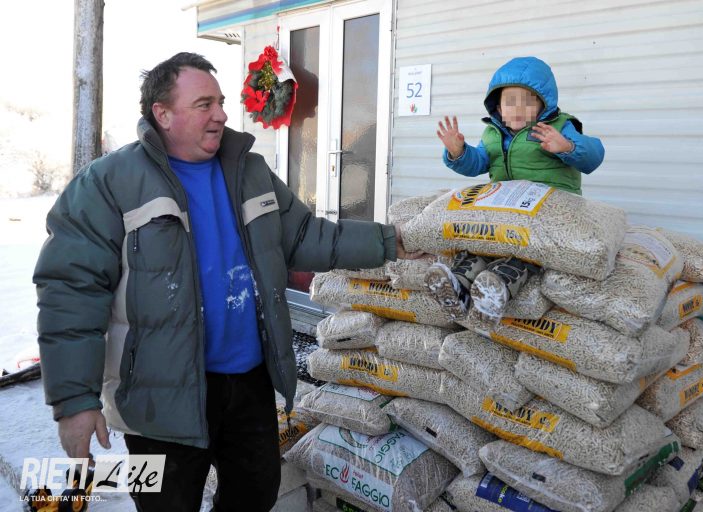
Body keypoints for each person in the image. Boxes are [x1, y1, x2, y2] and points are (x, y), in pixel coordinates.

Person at [33, 52, 416, 511]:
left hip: (248, 383)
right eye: (204, 104)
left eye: (220, 103)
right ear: (163, 114)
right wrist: (75, 401)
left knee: (255, 494)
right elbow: (70, 290)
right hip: (160, 396)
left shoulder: (248, 171)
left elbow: (306, 235)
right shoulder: (109, 182)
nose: (220, 115)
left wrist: (389, 242)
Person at [425, 56, 605, 329]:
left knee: (523, 251)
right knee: (480, 241)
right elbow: (478, 163)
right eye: (510, 102)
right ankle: (457, 286)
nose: (518, 108)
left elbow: (594, 156)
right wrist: (458, 152)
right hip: (506, 210)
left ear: (543, 104)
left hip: (547, 212)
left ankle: (497, 287)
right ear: (498, 107)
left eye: (528, 101)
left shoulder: (558, 127)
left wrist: (567, 146)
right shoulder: (492, 134)